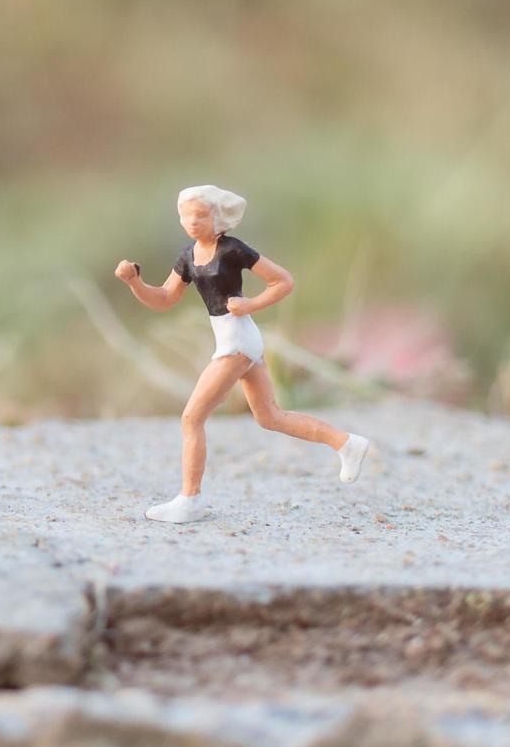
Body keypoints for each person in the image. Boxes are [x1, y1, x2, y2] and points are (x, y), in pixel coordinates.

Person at [113, 185, 372, 523]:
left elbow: (283, 281)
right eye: (186, 215)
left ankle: (189, 500)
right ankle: (347, 443)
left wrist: (250, 304)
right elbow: (164, 299)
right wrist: (135, 283)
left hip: (237, 341)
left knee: (192, 417)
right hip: (235, 339)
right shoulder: (188, 256)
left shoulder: (233, 250)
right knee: (269, 417)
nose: (192, 221)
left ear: (217, 216)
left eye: (201, 214)